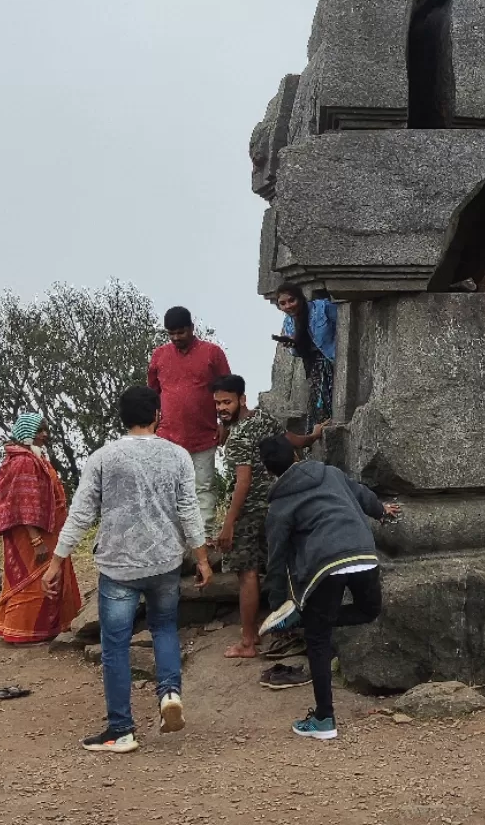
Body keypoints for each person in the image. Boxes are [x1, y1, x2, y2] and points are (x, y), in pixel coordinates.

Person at [43, 384, 212, 754]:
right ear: (157, 415)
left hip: (118, 567)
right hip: (166, 562)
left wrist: (57, 560)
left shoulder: (104, 458)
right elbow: (189, 511)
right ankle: (169, 692)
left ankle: (121, 729)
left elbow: (82, 514)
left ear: (122, 418)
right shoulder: (179, 456)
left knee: (115, 646)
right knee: (164, 627)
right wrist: (201, 559)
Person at [257, 434, 399, 742]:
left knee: (317, 639)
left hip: (324, 565)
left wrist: (278, 602)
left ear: (268, 470)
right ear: (296, 454)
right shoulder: (330, 473)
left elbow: (277, 555)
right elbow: (361, 494)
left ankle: (324, 719)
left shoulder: (280, 503)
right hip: (363, 552)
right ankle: (308, 619)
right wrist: (381, 511)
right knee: (368, 610)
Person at [209, 374, 323, 662]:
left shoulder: (238, 437)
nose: (222, 408)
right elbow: (289, 440)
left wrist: (228, 525)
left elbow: (242, 483)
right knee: (279, 568)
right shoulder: (262, 418)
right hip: (276, 507)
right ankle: (285, 630)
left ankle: (248, 641)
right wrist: (313, 436)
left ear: (241, 399)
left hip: (248, 514)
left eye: (227, 402)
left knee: (247, 574)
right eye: (218, 403)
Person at [0, 412, 82, 644]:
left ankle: (48, 628)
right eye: (40, 430)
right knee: (34, 578)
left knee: (48, 575)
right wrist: (35, 540)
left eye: (45, 430)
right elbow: (23, 503)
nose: (45, 435)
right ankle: (24, 632)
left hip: (48, 529)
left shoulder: (33, 457)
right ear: (27, 433)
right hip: (34, 533)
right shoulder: (24, 461)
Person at [147, 306, 230, 546]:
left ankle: (203, 538)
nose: (176, 338)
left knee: (203, 487)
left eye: (180, 332)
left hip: (204, 435)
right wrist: (151, 427)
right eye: (171, 333)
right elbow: (152, 393)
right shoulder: (159, 355)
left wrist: (225, 423)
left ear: (191, 328)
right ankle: (173, 539)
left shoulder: (212, 353)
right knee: (169, 489)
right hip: (168, 437)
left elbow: (227, 391)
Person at [273, 285, 337, 424]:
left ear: (300, 298)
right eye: (282, 303)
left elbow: (342, 325)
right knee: (317, 404)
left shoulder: (322, 308)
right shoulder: (289, 322)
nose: (288, 306)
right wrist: (292, 344)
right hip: (312, 364)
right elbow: (298, 352)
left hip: (331, 358)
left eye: (291, 300)